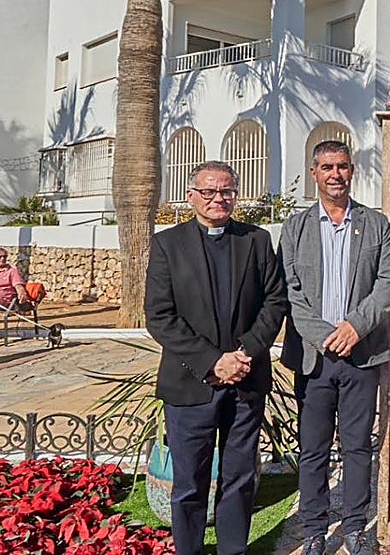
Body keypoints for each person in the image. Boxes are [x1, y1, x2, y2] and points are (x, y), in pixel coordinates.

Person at [145, 160, 288, 555]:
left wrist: (244, 354)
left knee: (240, 478)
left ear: (235, 195)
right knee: (189, 481)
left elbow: (275, 302)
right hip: (190, 385)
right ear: (192, 196)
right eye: (208, 191)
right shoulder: (168, 245)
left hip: (246, 379)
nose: (217, 199)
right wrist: (213, 361)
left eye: (226, 191)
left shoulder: (256, 240)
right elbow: (160, 316)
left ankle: (233, 550)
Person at [280, 141, 390, 555]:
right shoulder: (295, 229)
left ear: (352, 172)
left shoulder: (376, 225)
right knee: (313, 449)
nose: (336, 174)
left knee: (355, 446)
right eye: (327, 166)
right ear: (314, 172)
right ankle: (314, 528)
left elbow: (387, 284)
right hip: (315, 358)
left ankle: (353, 526)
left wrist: (355, 327)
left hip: (360, 354)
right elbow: (291, 292)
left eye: (343, 167)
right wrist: (324, 335)